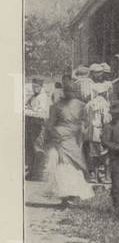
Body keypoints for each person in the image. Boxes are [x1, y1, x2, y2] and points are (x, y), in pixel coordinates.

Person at [43, 78, 94, 207]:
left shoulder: (81, 106)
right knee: (63, 166)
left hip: (73, 139)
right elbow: (50, 124)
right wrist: (55, 135)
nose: (70, 92)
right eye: (68, 90)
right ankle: (65, 196)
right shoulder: (56, 106)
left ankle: (71, 195)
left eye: (71, 90)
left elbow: (86, 123)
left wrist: (81, 132)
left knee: (73, 165)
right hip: (61, 139)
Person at [25, 76, 50, 180]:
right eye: (33, 86)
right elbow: (26, 106)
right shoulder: (33, 96)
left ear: (41, 86)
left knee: (38, 148)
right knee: (30, 148)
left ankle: (39, 173)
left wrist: (28, 111)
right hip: (31, 125)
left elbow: (43, 114)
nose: (35, 88)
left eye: (37, 86)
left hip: (38, 126)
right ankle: (31, 171)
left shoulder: (43, 97)